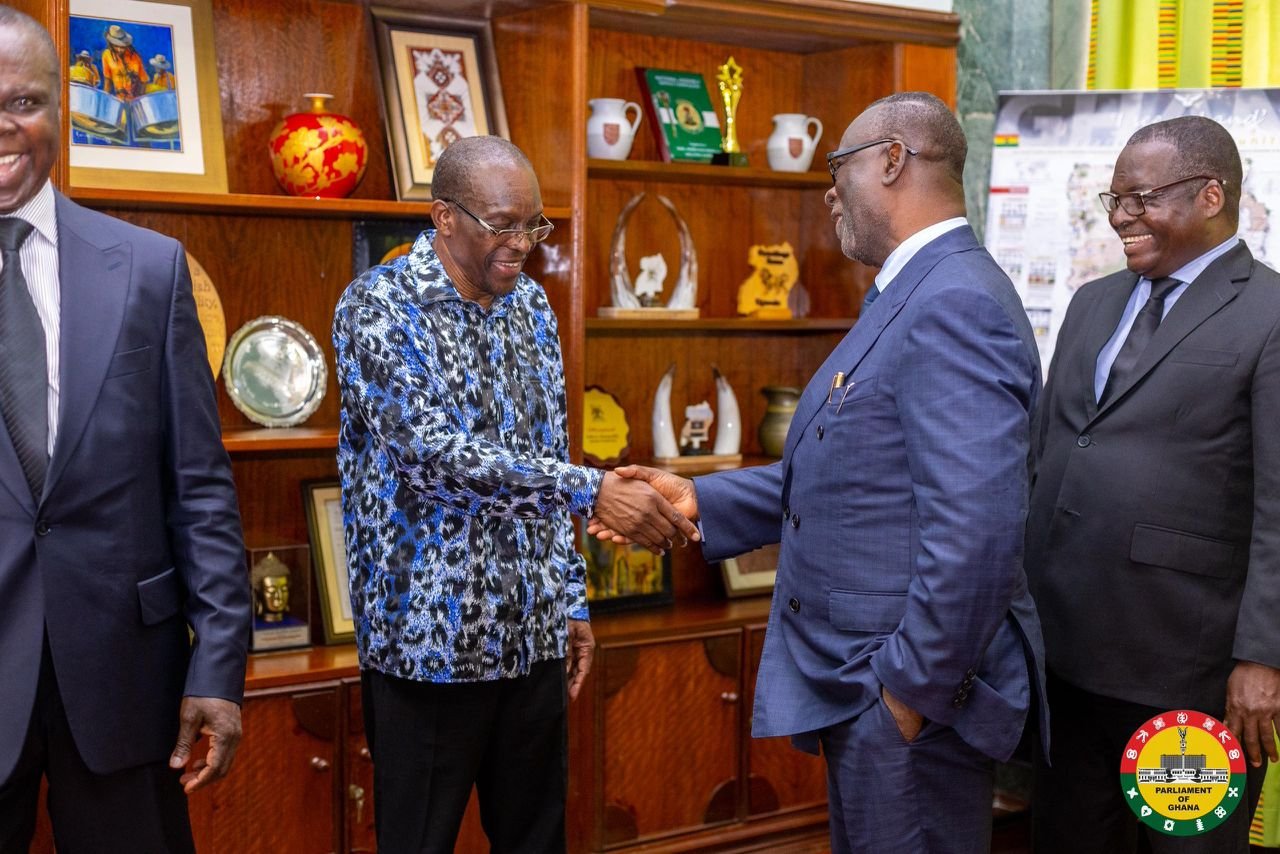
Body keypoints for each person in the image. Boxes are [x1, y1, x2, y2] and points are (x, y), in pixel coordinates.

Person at [592, 92, 1048, 853]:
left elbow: (978, 532)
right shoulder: (912, 292)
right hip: (872, 690)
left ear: (894, 160)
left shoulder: (954, 301)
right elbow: (855, 470)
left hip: (907, 702)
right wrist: (699, 497)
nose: (830, 190)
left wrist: (907, 695)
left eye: (840, 167)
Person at [332, 134, 699, 853]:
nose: (523, 242)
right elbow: (437, 462)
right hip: (428, 647)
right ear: (443, 216)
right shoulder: (378, 306)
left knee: (537, 840)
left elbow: (542, 453)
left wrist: (569, 602)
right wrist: (591, 490)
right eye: (502, 224)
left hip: (530, 639)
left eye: (534, 224)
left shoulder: (530, 306)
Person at [0, 9, 250, 853]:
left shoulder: (150, 268)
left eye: (26, 100)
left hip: (123, 681)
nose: (5, 126)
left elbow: (200, 485)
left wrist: (219, 662)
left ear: (62, 114)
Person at [1026, 115, 1280, 853]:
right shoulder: (1092, 302)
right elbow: (1050, 450)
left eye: (1141, 201)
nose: (1120, 220)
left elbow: (1278, 505)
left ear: (1210, 195)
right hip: (1066, 657)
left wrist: (1263, 658)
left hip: (1188, 669)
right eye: (1115, 200)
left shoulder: (1269, 314)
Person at [99, 23, 148, 100]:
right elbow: (107, 80)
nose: (119, 50)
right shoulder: (106, 55)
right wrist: (104, 99)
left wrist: (138, 99)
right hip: (118, 99)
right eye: (116, 46)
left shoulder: (135, 57)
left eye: (122, 47)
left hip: (134, 100)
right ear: (111, 44)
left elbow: (144, 80)